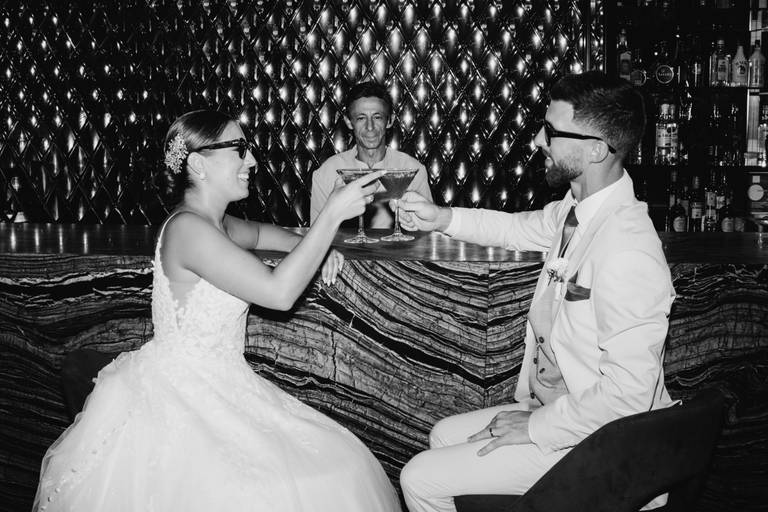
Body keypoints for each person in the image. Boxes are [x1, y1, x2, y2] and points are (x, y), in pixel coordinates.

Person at [34, 110, 401, 512]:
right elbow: (278, 293)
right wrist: (330, 217)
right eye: (239, 150)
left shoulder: (217, 223)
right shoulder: (187, 229)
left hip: (227, 383)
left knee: (340, 466)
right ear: (198, 164)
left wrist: (314, 246)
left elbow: (261, 233)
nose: (252, 161)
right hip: (181, 394)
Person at [396, 71, 676, 512]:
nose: (538, 140)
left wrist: (534, 427)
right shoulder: (576, 209)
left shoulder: (628, 249)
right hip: (565, 412)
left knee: (418, 478)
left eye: (551, 131)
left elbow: (629, 396)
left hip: (605, 444)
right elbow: (515, 228)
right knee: (442, 435)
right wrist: (441, 218)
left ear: (596, 149)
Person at [310, 81, 434, 228]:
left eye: (377, 117)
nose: (370, 127)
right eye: (361, 118)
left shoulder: (413, 169)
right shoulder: (326, 172)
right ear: (349, 122)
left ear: (390, 121)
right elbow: (315, 234)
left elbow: (429, 229)